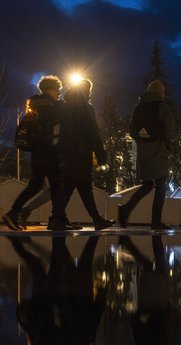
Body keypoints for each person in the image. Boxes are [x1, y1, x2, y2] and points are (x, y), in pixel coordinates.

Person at [2, 76, 80, 230]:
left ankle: (58, 219)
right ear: (51, 89)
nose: (59, 93)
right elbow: (57, 128)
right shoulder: (50, 107)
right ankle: (16, 213)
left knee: (41, 185)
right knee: (52, 186)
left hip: (37, 153)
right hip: (49, 152)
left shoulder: (35, 106)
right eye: (58, 90)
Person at [47, 79, 114, 231]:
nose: (90, 93)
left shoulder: (64, 107)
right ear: (86, 91)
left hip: (66, 153)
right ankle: (57, 218)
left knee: (77, 187)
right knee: (78, 187)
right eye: (89, 89)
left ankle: (93, 219)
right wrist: (100, 153)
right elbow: (93, 131)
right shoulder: (86, 108)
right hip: (81, 153)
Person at [118, 80, 175, 231]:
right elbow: (169, 130)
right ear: (160, 93)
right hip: (159, 149)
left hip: (143, 151)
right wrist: (167, 145)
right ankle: (155, 221)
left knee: (148, 184)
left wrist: (142, 141)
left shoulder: (138, 107)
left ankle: (126, 210)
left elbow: (132, 130)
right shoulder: (163, 108)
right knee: (161, 185)